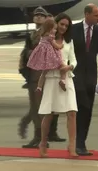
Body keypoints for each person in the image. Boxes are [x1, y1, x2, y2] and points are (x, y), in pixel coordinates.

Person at [18, 6, 65, 149]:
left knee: (39, 108)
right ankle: (39, 137)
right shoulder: (33, 34)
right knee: (35, 107)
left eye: (41, 15)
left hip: (40, 75)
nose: (38, 17)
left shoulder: (47, 35)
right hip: (32, 75)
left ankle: (40, 138)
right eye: (36, 15)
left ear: (46, 19)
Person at [36, 13, 78, 158]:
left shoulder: (69, 41)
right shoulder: (48, 39)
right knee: (49, 114)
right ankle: (43, 144)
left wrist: (69, 67)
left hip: (67, 78)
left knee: (72, 112)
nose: (64, 28)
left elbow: (74, 59)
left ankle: (72, 146)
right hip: (52, 77)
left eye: (67, 26)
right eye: (62, 24)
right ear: (56, 23)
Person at [72, 3, 98, 156]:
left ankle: (81, 143)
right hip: (75, 74)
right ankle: (76, 142)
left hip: (91, 76)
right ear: (86, 14)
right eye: (96, 15)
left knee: (88, 110)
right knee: (82, 106)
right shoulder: (74, 30)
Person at [27, 18, 67, 92]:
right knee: (63, 67)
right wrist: (61, 46)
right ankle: (63, 80)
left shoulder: (42, 36)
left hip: (45, 58)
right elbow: (56, 46)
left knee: (44, 73)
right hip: (52, 57)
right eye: (54, 29)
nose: (55, 30)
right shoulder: (50, 37)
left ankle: (39, 87)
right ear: (49, 29)